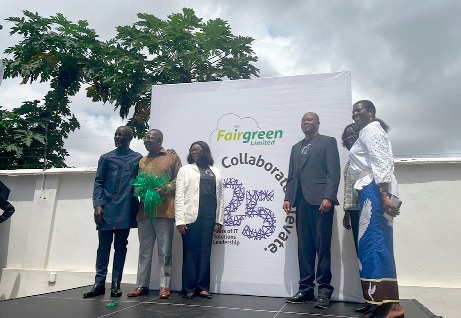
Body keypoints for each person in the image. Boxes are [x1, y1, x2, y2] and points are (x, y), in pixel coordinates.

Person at [349, 100, 405, 318]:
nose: (355, 114)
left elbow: (382, 161)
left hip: (375, 189)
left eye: (360, 110)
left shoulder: (372, 129)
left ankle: (391, 306)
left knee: (374, 244)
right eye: (353, 111)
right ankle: (383, 303)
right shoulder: (368, 131)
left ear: (371, 113)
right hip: (371, 190)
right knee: (373, 244)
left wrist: (383, 194)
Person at [283, 112, 341, 309]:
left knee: (322, 247)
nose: (306, 123)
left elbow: (333, 173)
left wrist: (328, 197)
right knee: (304, 247)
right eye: (303, 120)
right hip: (301, 202)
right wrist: (288, 198)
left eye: (310, 120)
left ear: (318, 123)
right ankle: (306, 289)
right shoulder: (295, 148)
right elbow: (291, 177)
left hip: (321, 203)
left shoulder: (327, 142)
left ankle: (324, 291)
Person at [83, 126, 142, 299]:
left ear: (129, 138)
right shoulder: (106, 158)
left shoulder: (137, 159)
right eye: (116, 134)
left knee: (121, 247)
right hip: (106, 209)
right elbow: (98, 182)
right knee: (103, 247)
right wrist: (97, 205)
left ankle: (116, 283)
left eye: (121, 135)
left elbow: (143, 179)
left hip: (126, 208)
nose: (117, 137)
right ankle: (99, 283)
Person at [127, 129, 182, 299]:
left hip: (164, 211)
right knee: (144, 251)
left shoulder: (172, 156)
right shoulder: (142, 161)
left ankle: (164, 286)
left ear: (159, 140)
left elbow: (179, 179)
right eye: (145, 138)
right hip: (144, 211)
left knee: (165, 251)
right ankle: (141, 285)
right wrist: (140, 189)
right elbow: (137, 182)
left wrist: (165, 188)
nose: (146, 140)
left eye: (150, 138)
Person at [175, 141, 224, 299]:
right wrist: (180, 220)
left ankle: (202, 287)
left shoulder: (215, 171)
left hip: (209, 216)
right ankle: (189, 287)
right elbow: (180, 196)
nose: (194, 151)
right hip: (190, 216)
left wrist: (219, 220)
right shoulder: (185, 170)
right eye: (192, 150)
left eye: (197, 149)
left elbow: (220, 197)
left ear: (205, 151)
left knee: (205, 252)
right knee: (190, 252)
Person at [341, 123, 372, 314]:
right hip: (354, 211)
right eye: (347, 135)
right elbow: (349, 190)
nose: (350, 137)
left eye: (353, 134)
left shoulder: (365, 156)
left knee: (368, 254)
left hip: (365, 210)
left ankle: (375, 300)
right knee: (362, 257)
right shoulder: (351, 158)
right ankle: (369, 299)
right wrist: (346, 212)